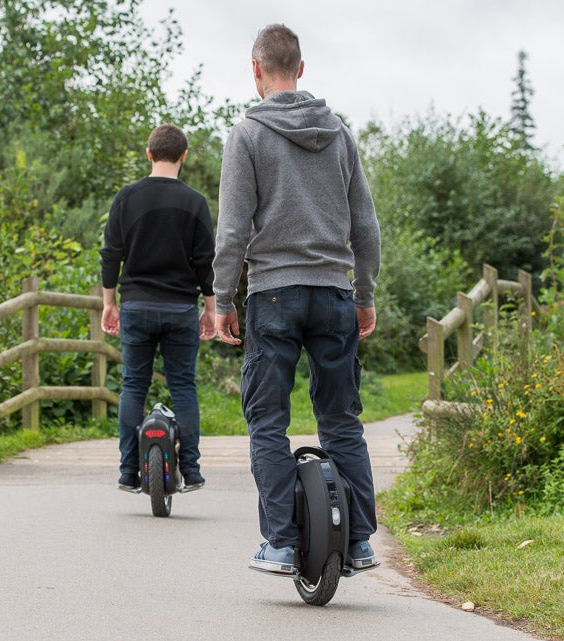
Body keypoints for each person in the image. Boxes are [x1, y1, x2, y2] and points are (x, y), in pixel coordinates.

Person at [211, 24, 382, 574]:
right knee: (341, 421)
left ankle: (283, 543)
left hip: (274, 295)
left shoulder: (248, 135)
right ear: (301, 69)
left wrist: (222, 299)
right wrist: (365, 293)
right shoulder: (339, 132)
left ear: (256, 70)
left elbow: (233, 230)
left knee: (267, 422)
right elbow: (366, 226)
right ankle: (357, 544)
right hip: (334, 292)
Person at [100, 123, 216, 493]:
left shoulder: (126, 197)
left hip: (136, 305)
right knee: (184, 385)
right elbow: (206, 261)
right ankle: (193, 471)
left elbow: (110, 254)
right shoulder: (195, 202)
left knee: (134, 383)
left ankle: (127, 471)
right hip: (181, 307)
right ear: (184, 156)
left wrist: (109, 302)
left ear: (149, 154)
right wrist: (211, 309)